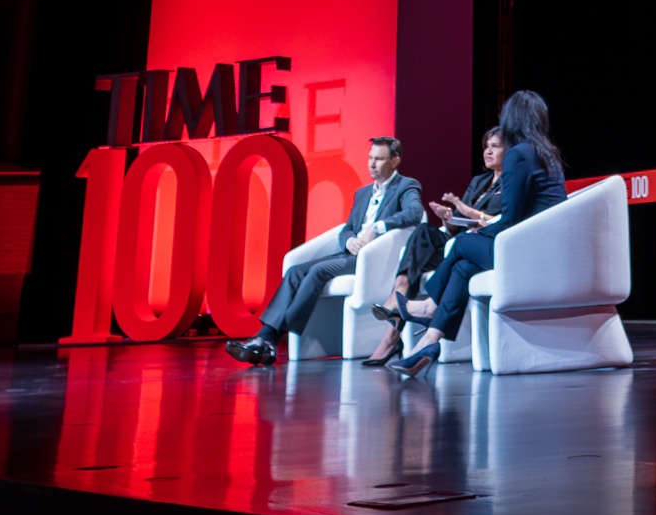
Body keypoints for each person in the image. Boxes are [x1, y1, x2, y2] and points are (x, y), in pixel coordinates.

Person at [392, 91, 567, 380]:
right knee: (463, 266)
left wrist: (482, 232)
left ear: (511, 120)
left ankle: (428, 304)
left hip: (525, 250)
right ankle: (427, 344)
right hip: (544, 246)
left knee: (461, 242)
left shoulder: (519, 155)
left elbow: (511, 220)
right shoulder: (548, 154)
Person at [224, 136, 421, 367]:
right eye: (370, 158)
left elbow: (415, 213)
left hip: (374, 259)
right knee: (295, 271)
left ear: (395, 160)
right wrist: (348, 241)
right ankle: (266, 337)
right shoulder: (363, 193)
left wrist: (376, 229)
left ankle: (271, 337)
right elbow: (347, 228)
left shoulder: (406, 186)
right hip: (350, 253)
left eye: (379, 159)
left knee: (318, 270)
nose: (372, 164)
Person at [374, 131, 502, 366]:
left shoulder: (511, 185)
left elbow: (501, 221)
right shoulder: (479, 182)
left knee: (453, 253)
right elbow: (457, 227)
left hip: (481, 245)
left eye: (495, 146)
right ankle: (399, 291)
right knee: (423, 231)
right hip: (459, 242)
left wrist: (466, 210)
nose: (488, 151)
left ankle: (397, 327)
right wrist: (447, 219)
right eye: (486, 146)